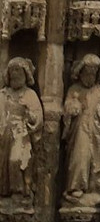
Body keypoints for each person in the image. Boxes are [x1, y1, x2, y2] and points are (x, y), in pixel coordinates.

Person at [62, 54, 100, 209]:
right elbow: (67, 107)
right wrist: (72, 107)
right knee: (80, 156)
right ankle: (75, 187)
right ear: (80, 73)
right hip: (81, 130)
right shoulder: (75, 90)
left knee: (95, 161)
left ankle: (93, 184)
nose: (89, 77)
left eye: (93, 74)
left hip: (97, 134)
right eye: (87, 73)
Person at [0, 58, 42, 208]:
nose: (15, 75)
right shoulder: (3, 94)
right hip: (4, 133)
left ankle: (19, 191)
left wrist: (30, 116)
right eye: (12, 71)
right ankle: (5, 192)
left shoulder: (30, 94)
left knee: (16, 160)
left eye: (18, 71)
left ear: (26, 74)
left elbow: (37, 117)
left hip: (21, 133)